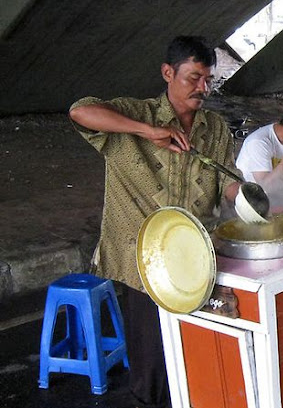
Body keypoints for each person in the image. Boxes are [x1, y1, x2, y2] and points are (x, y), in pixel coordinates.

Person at [69, 35, 241, 408]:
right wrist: (148, 132)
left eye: (208, 79)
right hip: (144, 262)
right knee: (152, 363)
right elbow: (79, 112)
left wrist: (247, 198)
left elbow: (227, 180)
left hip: (196, 257)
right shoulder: (136, 115)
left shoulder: (215, 129)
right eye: (193, 78)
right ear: (167, 73)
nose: (203, 88)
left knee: (195, 350)